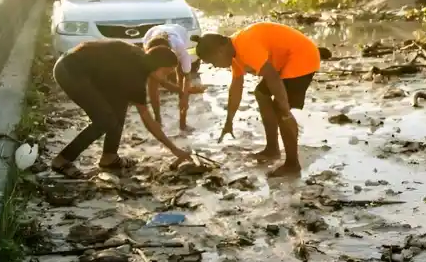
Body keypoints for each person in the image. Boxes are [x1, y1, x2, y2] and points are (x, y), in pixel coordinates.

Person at [50, 39, 192, 176]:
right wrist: (174, 149)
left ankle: (109, 157)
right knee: (104, 120)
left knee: (120, 104)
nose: (166, 78)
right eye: (166, 73)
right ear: (156, 66)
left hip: (86, 69)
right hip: (70, 70)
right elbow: (148, 120)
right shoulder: (135, 77)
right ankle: (62, 160)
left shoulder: (141, 58)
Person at [193, 23, 320, 176]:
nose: (216, 66)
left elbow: (272, 76)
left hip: (302, 56)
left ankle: (292, 164)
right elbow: (236, 89)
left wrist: (284, 108)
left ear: (220, 51)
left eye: (213, 62)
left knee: (280, 109)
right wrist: (229, 121)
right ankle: (272, 149)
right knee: (261, 94)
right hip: (283, 61)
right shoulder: (234, 53)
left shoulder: (245, 46)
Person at [141, 23, 204, 131]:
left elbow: (186, 77)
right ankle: (158, 120)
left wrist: (184, 97)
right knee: (153, 81)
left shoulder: (180, 49)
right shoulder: (148, 50)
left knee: (181, 74)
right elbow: (152, 85)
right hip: (151, 33)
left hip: (178, 32)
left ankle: (183, 124)